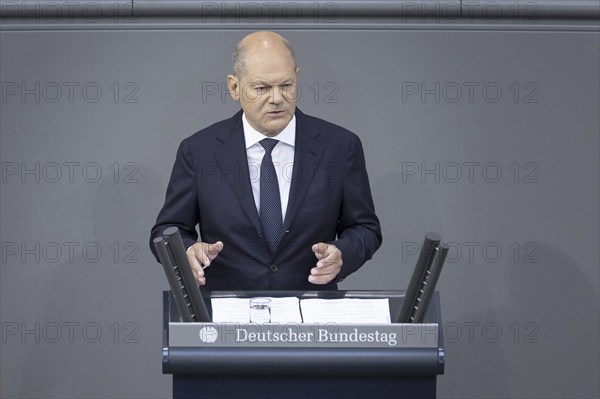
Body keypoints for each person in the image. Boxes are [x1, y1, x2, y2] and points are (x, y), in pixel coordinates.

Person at [150, 31, 382, 291]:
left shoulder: (339, 146)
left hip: (311, 316)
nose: (276, 98)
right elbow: (167, 229)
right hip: (227, 317)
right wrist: (187, 251)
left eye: (286, 85)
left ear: (297, 77)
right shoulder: (199, 151)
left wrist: (342, 254)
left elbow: (365, 228)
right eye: (261, 88)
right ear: (234, 87)